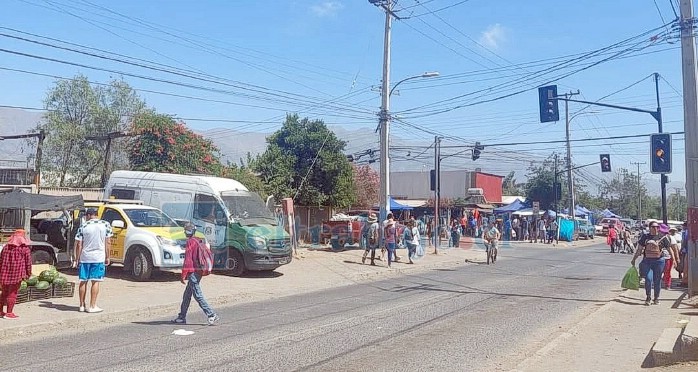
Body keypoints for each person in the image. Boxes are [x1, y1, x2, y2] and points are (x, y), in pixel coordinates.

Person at [172, 223, 219, 325]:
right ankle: (182, 317)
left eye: (186, 230)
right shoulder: (198, 240)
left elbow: (188, 260)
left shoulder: (190, 242)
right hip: (199, 271)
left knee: (197, 295)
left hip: (193, 272)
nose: (185, 232)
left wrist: (183, 275)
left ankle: (211, 314)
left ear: (188, 232)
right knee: (187, 295)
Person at [74, 208, 112, 313]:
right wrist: (108, 256)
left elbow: (79, 244)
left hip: (85, 257)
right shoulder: (106, 225)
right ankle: (92, 306)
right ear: (96, 214)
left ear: (89, 215)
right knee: (95, 281)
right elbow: (108, 242)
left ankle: (81, 305)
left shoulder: (84, 226)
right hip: (98, 257)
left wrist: (77, 259)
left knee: (83, 281)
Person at [632, 221, 670, 305]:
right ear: (649, 228)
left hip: (659, 261)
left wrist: (675, 259)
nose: (655, 228)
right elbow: (639, 249)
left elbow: (669, 249)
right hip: (647, 261)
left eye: (657, 227)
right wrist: (634, 259)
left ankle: (656, 298)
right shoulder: (645, 237)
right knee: (648, 279)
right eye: (653, 226)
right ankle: (648, 297)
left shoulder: (662, 237)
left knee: (657, 280)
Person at [0, 229, 33, 319]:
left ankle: (0, 311)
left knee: (4, 293)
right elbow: (28, 263)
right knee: (12, 293)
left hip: (4, 274)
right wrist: (28, 274)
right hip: (16, 275)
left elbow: (1, 260)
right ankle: (9, 313)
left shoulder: (6, 247)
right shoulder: (24, 249)